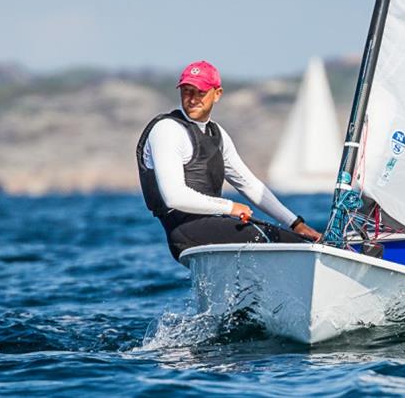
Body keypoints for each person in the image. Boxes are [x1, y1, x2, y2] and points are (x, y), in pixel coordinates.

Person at [136, 60, 322, 261]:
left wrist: (296, 224)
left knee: (292, 238)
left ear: (217, 94)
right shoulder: (167, 130)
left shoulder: (217, 134)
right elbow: (174, 197)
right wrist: (229, 207)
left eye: (200, 92)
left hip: (215, 227)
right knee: (270, 238)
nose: (192, 99)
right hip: (185, 233)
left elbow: (249, 184)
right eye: (187, 91)